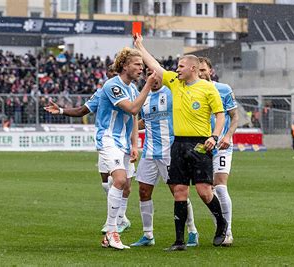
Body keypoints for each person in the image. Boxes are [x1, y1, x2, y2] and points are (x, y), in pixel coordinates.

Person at [134, 34, 227, 252]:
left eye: (181, 66)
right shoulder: (175, 83)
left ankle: (221, 223)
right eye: (177, 66)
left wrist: (214, 136)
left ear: (193, 69)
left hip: (200, 144)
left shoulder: (207, 88)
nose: (177, 69)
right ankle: (179, 241)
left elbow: (220, 115)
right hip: (178, 144)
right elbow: (154, 65)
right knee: (179, 191)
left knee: (204, 192)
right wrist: (140, 46)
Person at [43, 76, 135, 234]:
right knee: (108, 181)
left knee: (124, 183)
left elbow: (136, 114)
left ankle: (120, 219)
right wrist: (61, 110)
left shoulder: (133, 90)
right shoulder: (103, 91)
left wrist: (134, 144)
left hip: (125, 143)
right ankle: (114, 222)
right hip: (109, 142)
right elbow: (81, 111)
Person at [130, 68, 199, 248]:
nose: (154, 78)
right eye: (150, 75)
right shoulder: (142, 97)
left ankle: (192, 231)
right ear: (146, 77)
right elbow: (145, 120)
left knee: (178, 192)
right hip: (149, 153)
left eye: (157, 74)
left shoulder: (171, 93)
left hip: (170, 152)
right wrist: (130, 130)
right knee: (144, 192)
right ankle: (148, 235)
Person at [96, 47, 155, 249]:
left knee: (127, 186)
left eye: (142, 65)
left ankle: (117, 224)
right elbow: (132, 108)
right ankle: (112, 231)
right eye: (137, 64)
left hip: (122, 142)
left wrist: (134, 145)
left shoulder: (131, 89)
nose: (141, 68)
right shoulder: (113, 86)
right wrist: (148, 85)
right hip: (108, 138)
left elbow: (133, 118)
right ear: (124, 66)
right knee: (119, 179)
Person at [198, 57, 239, 246]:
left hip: (222, 146)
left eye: (203, 70)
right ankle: (220, 228)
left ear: (210, 70)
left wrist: (228, 136)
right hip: (202, 148)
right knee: (208, 191)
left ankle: (228, 231)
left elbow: (234, 117)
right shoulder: (191, 91)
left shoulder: (223, 89)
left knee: (220, 186)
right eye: (197, 70)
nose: (201, 74)